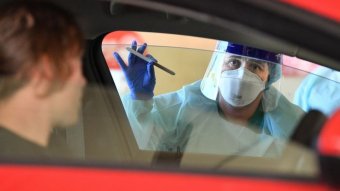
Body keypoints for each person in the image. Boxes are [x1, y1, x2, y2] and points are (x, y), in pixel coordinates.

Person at [113, 40, 304, 156]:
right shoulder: (185, 105)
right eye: (233, 62)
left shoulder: (289, 123)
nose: (241, 74)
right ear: (217, 67)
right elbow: (132, 147)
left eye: (255, 67)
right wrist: (139, 99)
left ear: (269, 77)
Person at [0, 1, 86, 159]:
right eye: (76, 63)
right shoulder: (16, 166)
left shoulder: (55, 150)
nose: (82, 81)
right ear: (47, 68)